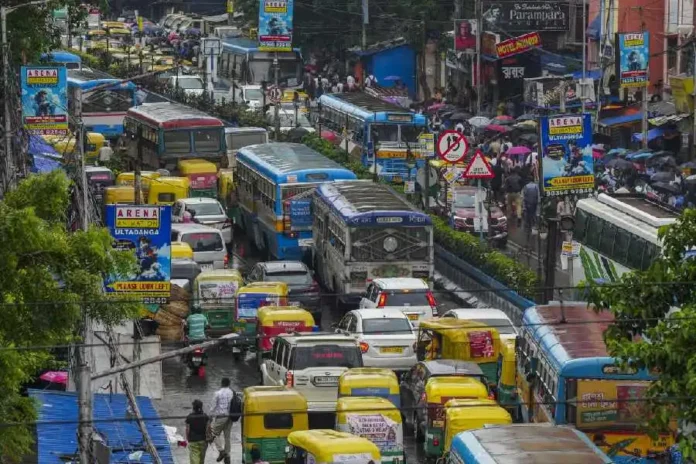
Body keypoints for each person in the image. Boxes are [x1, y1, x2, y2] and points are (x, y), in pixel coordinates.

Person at [210, 378, 234, 463]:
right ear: (229, 384)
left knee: (213, 433)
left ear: (221, 383)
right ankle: (227, 455)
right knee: (227, 437)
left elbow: (213, 407)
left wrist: (210, 417)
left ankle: (221, 451)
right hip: (230, 417)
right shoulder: (232, 392)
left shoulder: (217, 393)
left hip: (220, 417)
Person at [186, 399, 209, 464]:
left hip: (193, 440)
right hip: (203, 440)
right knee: (201, 459)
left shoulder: (189, 417)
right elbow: (207, 428)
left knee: (194, 459)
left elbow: (187, 429)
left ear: (193, 407)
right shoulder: (205, 416)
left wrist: (188, 438)